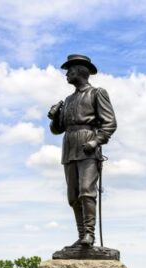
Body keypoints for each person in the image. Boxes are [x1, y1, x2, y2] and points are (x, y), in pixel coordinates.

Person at [48, 54, 117, 247]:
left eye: (69, 70)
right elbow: (57, 130)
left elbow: (110, 122)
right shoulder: (68, 100)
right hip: (69, 145)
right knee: (73, 195)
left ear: (79, 71)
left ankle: (89, 234)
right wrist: (54, 117)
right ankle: (81, 236)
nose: (67, 74)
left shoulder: (97, 93)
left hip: (87, 144)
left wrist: (96, 141)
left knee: (86, 192)